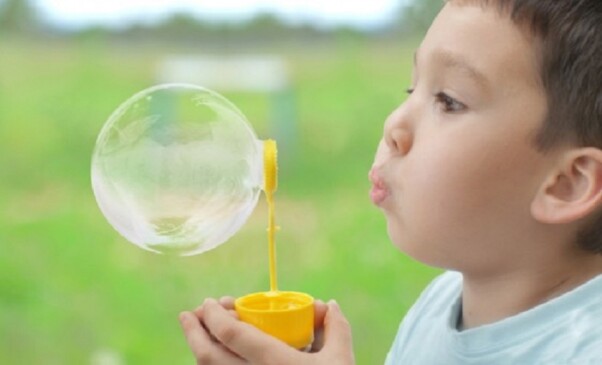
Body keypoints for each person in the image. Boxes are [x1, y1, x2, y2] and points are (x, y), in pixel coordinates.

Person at [178, 0, 602, 363]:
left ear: (566, 183)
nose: (394, 125)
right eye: (410, 88)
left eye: (448, 101)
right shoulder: (438, 306)